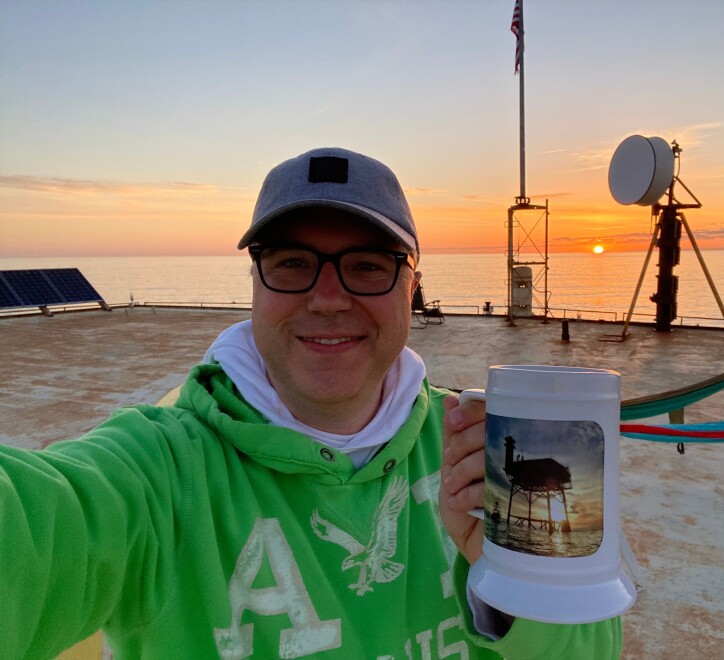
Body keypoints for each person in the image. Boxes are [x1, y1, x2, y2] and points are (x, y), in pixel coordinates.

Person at [0, 148, 622, 658]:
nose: (327, 298)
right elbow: (39, 523)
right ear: (255, 282)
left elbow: (591, 649)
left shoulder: (477, 453)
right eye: (294, 262)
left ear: (412, 285)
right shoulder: (160, 470)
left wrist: (516, 584)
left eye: (367, 264)